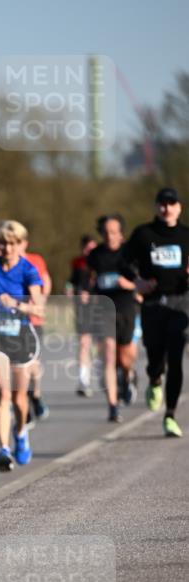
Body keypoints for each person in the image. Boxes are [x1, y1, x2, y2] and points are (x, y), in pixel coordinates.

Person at [0, 220, 44, 471]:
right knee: (3, 393)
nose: (6, 248)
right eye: (2, 242)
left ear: (20, 245)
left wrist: (16, 304)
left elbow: (39, 308)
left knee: (18, 397)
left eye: (11, 243)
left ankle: (21, 433)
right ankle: (3, 449)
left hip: (21, 337)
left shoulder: (28, 270)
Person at [124, 187, 189, 437]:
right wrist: (137, 281)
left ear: (179, 207)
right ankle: (154, 379)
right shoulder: (143, 234)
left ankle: (170, 415)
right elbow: (124, 262)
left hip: (180, 301)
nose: (167, 207)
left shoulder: (186, 235)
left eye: (172, 203)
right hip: (152, 304)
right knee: (155, 356)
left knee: (176, 358)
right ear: (156, 207)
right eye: (162, 203)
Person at [87, 215, 138, 422]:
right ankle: (113, 405)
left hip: (126, 307)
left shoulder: (130, 252)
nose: (109, 236)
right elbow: (89, 278)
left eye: (113, 232)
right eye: (106, 232)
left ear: (121, 233)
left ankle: (128, 377)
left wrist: (129, 284)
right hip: (103, 309)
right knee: (108, 357)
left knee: (124, 358)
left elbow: (142, 280)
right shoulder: (96, 254)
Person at [22, 242, 52, 425]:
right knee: (17, 368)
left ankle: (36, 395)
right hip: (10, 325)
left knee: (33, 363)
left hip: (33, 321)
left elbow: (46, 280)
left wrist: (42, 300)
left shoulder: (35, 260)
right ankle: (23, 407)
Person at [68, 234, 98, 396]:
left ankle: (111, 376)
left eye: (92, 248)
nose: (90, 251)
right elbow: (71, 282)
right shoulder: (77, 263)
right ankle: (83, 380)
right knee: (84, 343)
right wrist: (71, 290)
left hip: (101, 308)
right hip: (83, 309)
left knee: (103, 345)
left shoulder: (101, 261)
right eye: (87, 248)